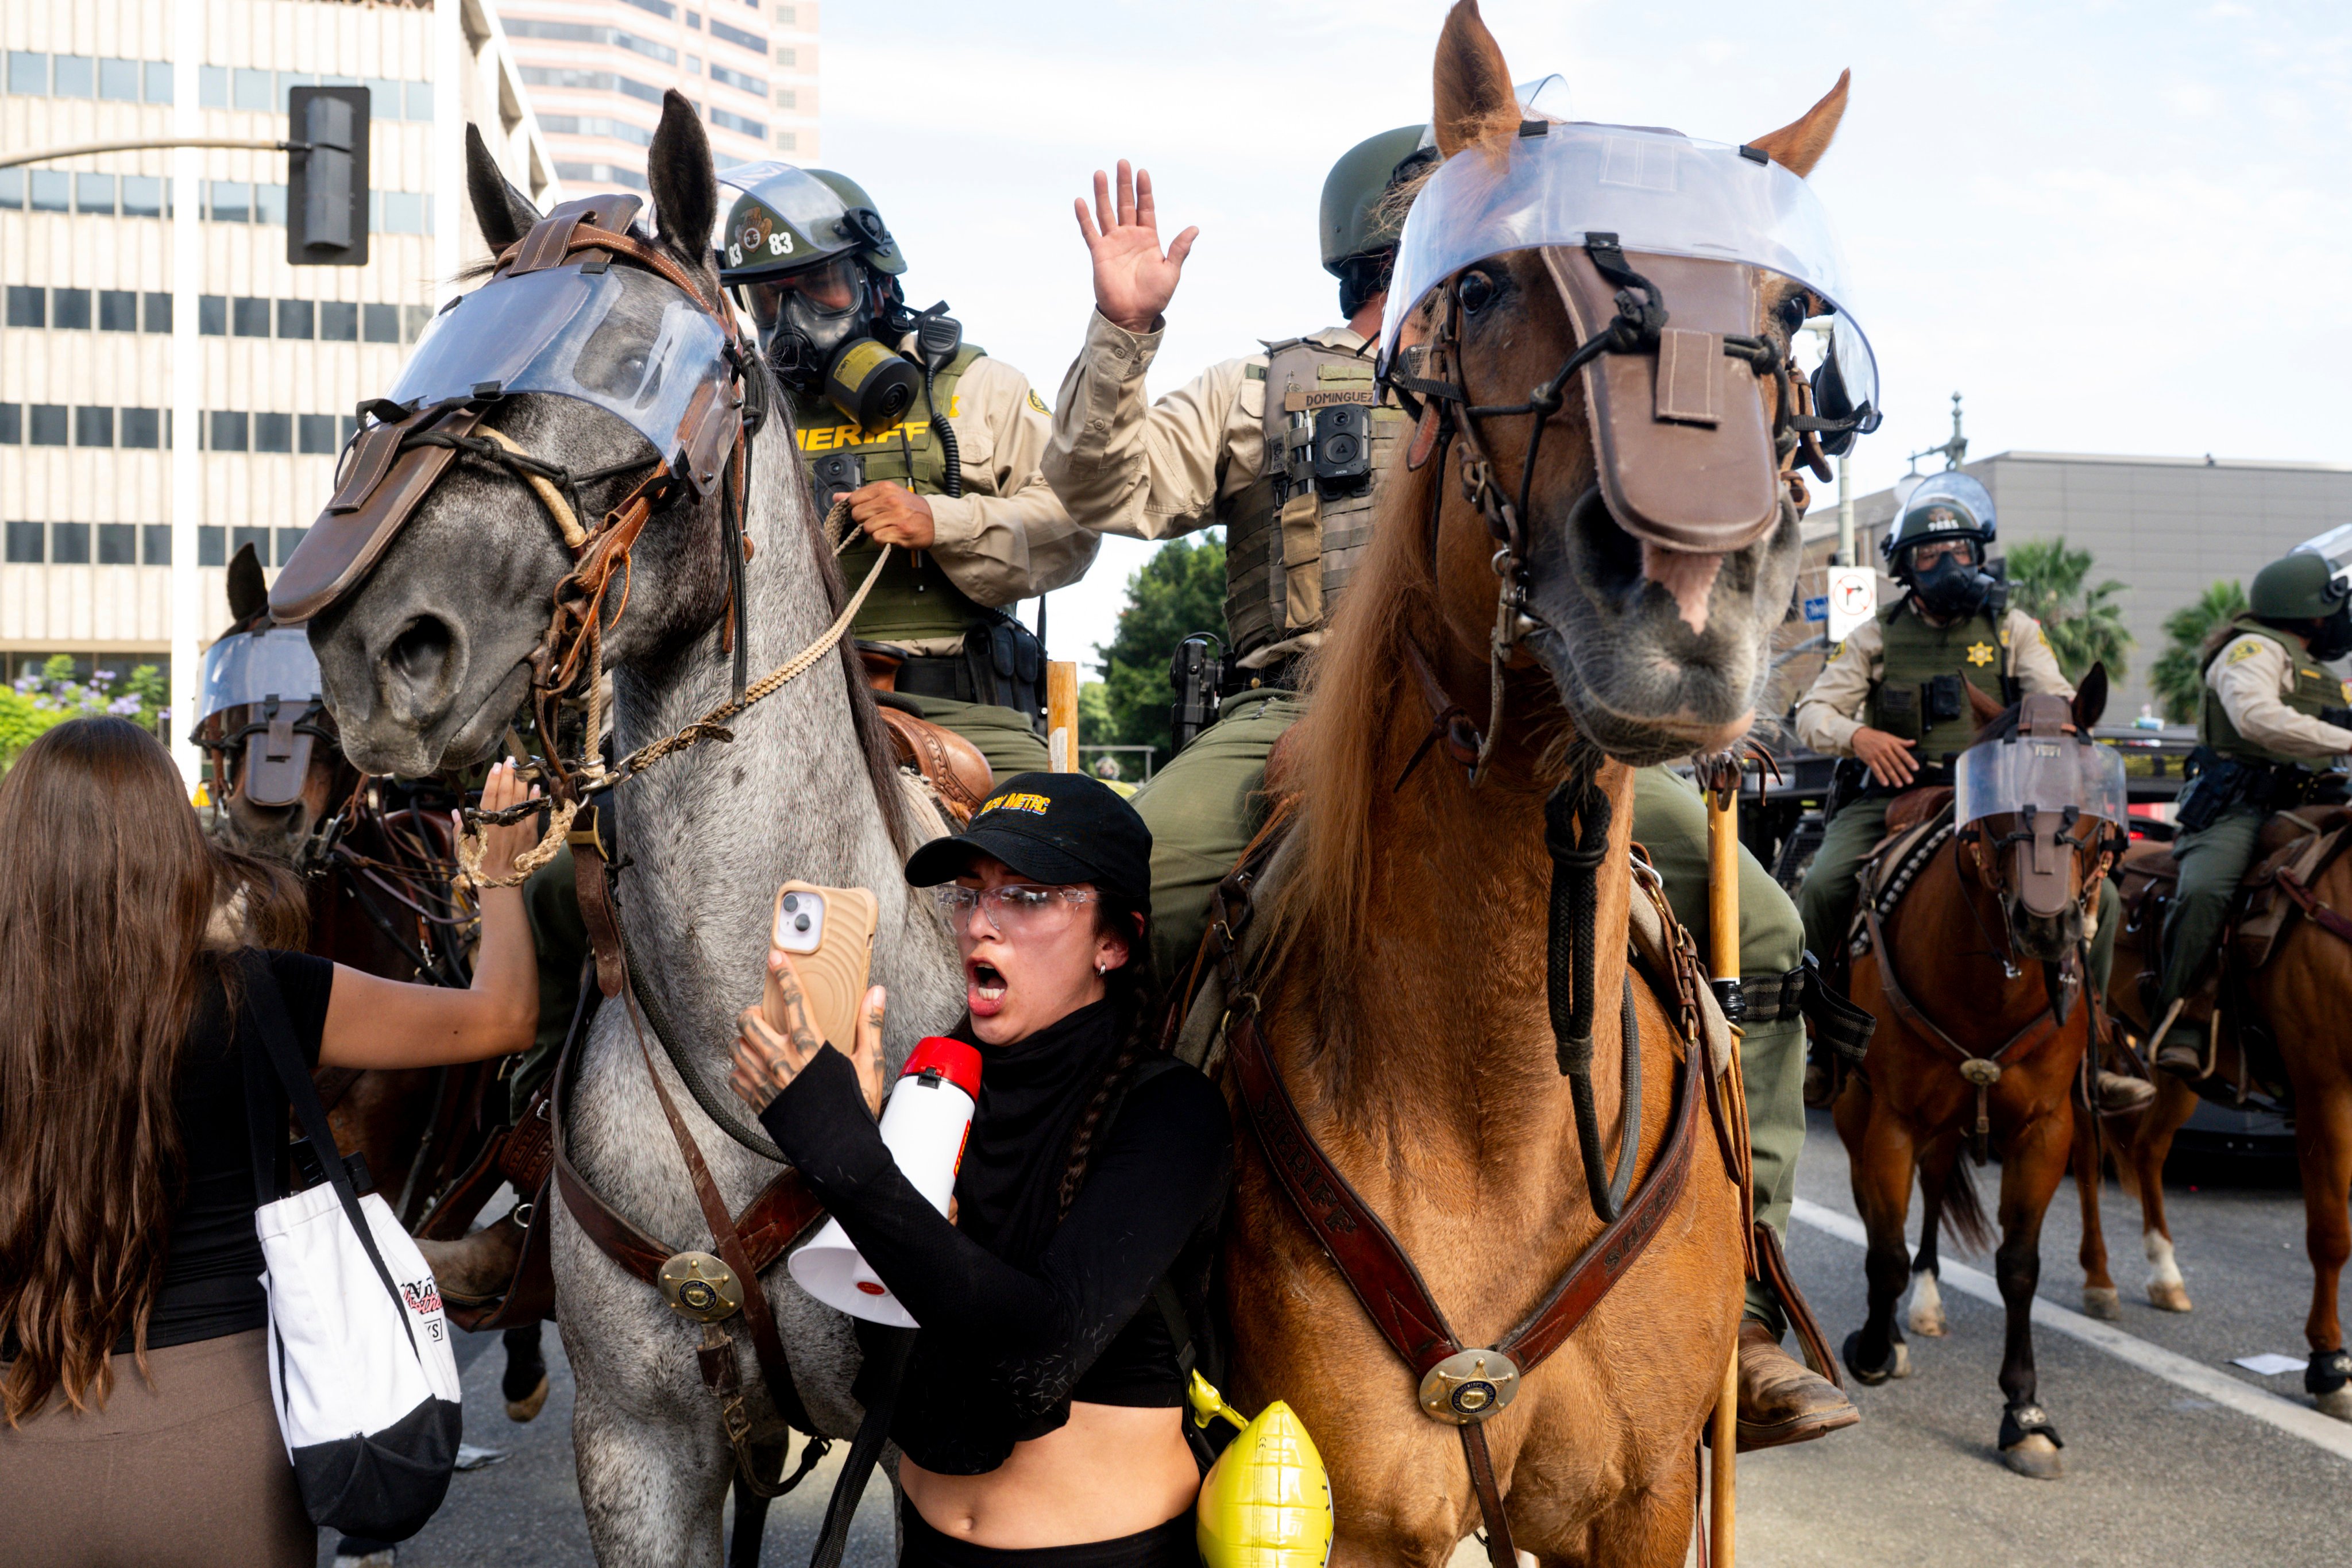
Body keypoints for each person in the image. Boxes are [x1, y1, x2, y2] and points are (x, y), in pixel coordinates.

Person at [1046, 148, 1856, 1448]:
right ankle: (1116, 1287)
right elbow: (1097, 491)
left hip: (1531, 715)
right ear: (1397, 248)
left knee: (1759, 929)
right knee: (1120, 901)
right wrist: (1121, 337)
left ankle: (1740, 1287)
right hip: (1291, 715)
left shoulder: (1559, 352)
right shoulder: (1276, 385)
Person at [0, 720, 540, 1567]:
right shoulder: (258, 992)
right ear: (171, 842)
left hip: (18, 1439)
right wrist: (498, 875)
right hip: (225, 1442)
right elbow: (501, 1016)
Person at [731, 773, 1229, 1566]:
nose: (978, 925)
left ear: (1114, 941)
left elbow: (1042, 1347)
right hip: (928, 1544)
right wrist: (864, 1147)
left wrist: (843, 1153)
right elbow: (884, 1324)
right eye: (968, 894)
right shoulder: (933, 1094)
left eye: (1026, 897)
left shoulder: (1173, 1114)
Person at [717, 164, 1099, 781]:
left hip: (959, 712)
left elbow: (1078, 525)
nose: (793, 319)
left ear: (877, 282)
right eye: (769, 296)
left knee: (1049, 850)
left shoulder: (977, 388)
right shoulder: (736, 416)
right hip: (781, 714)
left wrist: (939, 521)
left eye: (821, 285)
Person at [1793, 473, 2145, 1113]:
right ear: (1906, 565)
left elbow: (2056, 699)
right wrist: (1860, 735)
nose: (1948, 563)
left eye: (1959, 550)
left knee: (2108, 898)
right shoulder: (1874, 634)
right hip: (1899, 791)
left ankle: (2094, 1050)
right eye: (1931, 554)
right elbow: (1813, 711)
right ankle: (1823, 1043)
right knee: (1821, 887)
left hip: (1997, 798)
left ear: (1979, 555)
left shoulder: (2012, 628)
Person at [2152, 550, 2352, 1073]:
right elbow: (2257, 719)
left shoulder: (2318, 669)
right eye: (2337, 606)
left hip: (2313, 803)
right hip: (2239, 807)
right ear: (2311, 611)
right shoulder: (2252, 651)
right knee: (2203, 891)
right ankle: (2181, 1017)